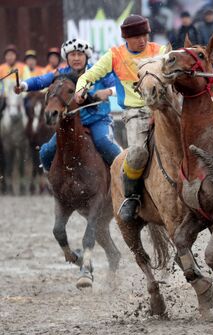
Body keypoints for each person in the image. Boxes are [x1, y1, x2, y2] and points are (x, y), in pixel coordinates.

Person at [74, 15, 165, 222]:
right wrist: (80, 90)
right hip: (135, 113)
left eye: (144, 35)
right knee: (138, 153)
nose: (141, 40)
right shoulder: (114, 55)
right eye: (136, 36)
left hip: (163, 109)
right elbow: (86, 77)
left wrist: (158, 111)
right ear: (126, 38)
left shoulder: (160, 52)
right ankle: (131, 197)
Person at [14, 39, 120, 175]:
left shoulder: (98, 70)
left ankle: (125, 174)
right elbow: (40, 81)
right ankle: (53, 180)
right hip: (70, 124)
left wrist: (108, 91)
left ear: (86, 56)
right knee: (46, 153)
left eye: (80, 54)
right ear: (67, 57)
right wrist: (23, 86)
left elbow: (119, 85)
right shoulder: (60, 73)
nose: (76, 58)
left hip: (98, 120)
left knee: (104, 143)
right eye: (72, 55)